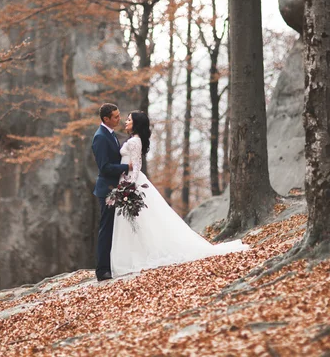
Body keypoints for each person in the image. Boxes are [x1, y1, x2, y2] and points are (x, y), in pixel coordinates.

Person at [110, 111, 249, 277]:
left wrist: (130, 186)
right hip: (127, 181)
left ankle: (140, 255)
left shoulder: (134, 141)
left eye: (129, 119)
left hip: (131, 183)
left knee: (143, 220)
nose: (126, 121)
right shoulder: (135, 140)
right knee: (140, 222)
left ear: (136, 123)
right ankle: (137, 253)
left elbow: (137, 165)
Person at [91, 103, 132, 281]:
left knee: (116, 228)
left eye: (119, 115)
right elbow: (105, 167)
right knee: (106, 229)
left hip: (116, 187)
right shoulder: (100, 137)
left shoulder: (110, 134)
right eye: (115, 117)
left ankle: (114, 264)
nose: (119, 119)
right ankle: (102, 270)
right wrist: (126, 166)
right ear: (106, 119)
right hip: (107, 189)